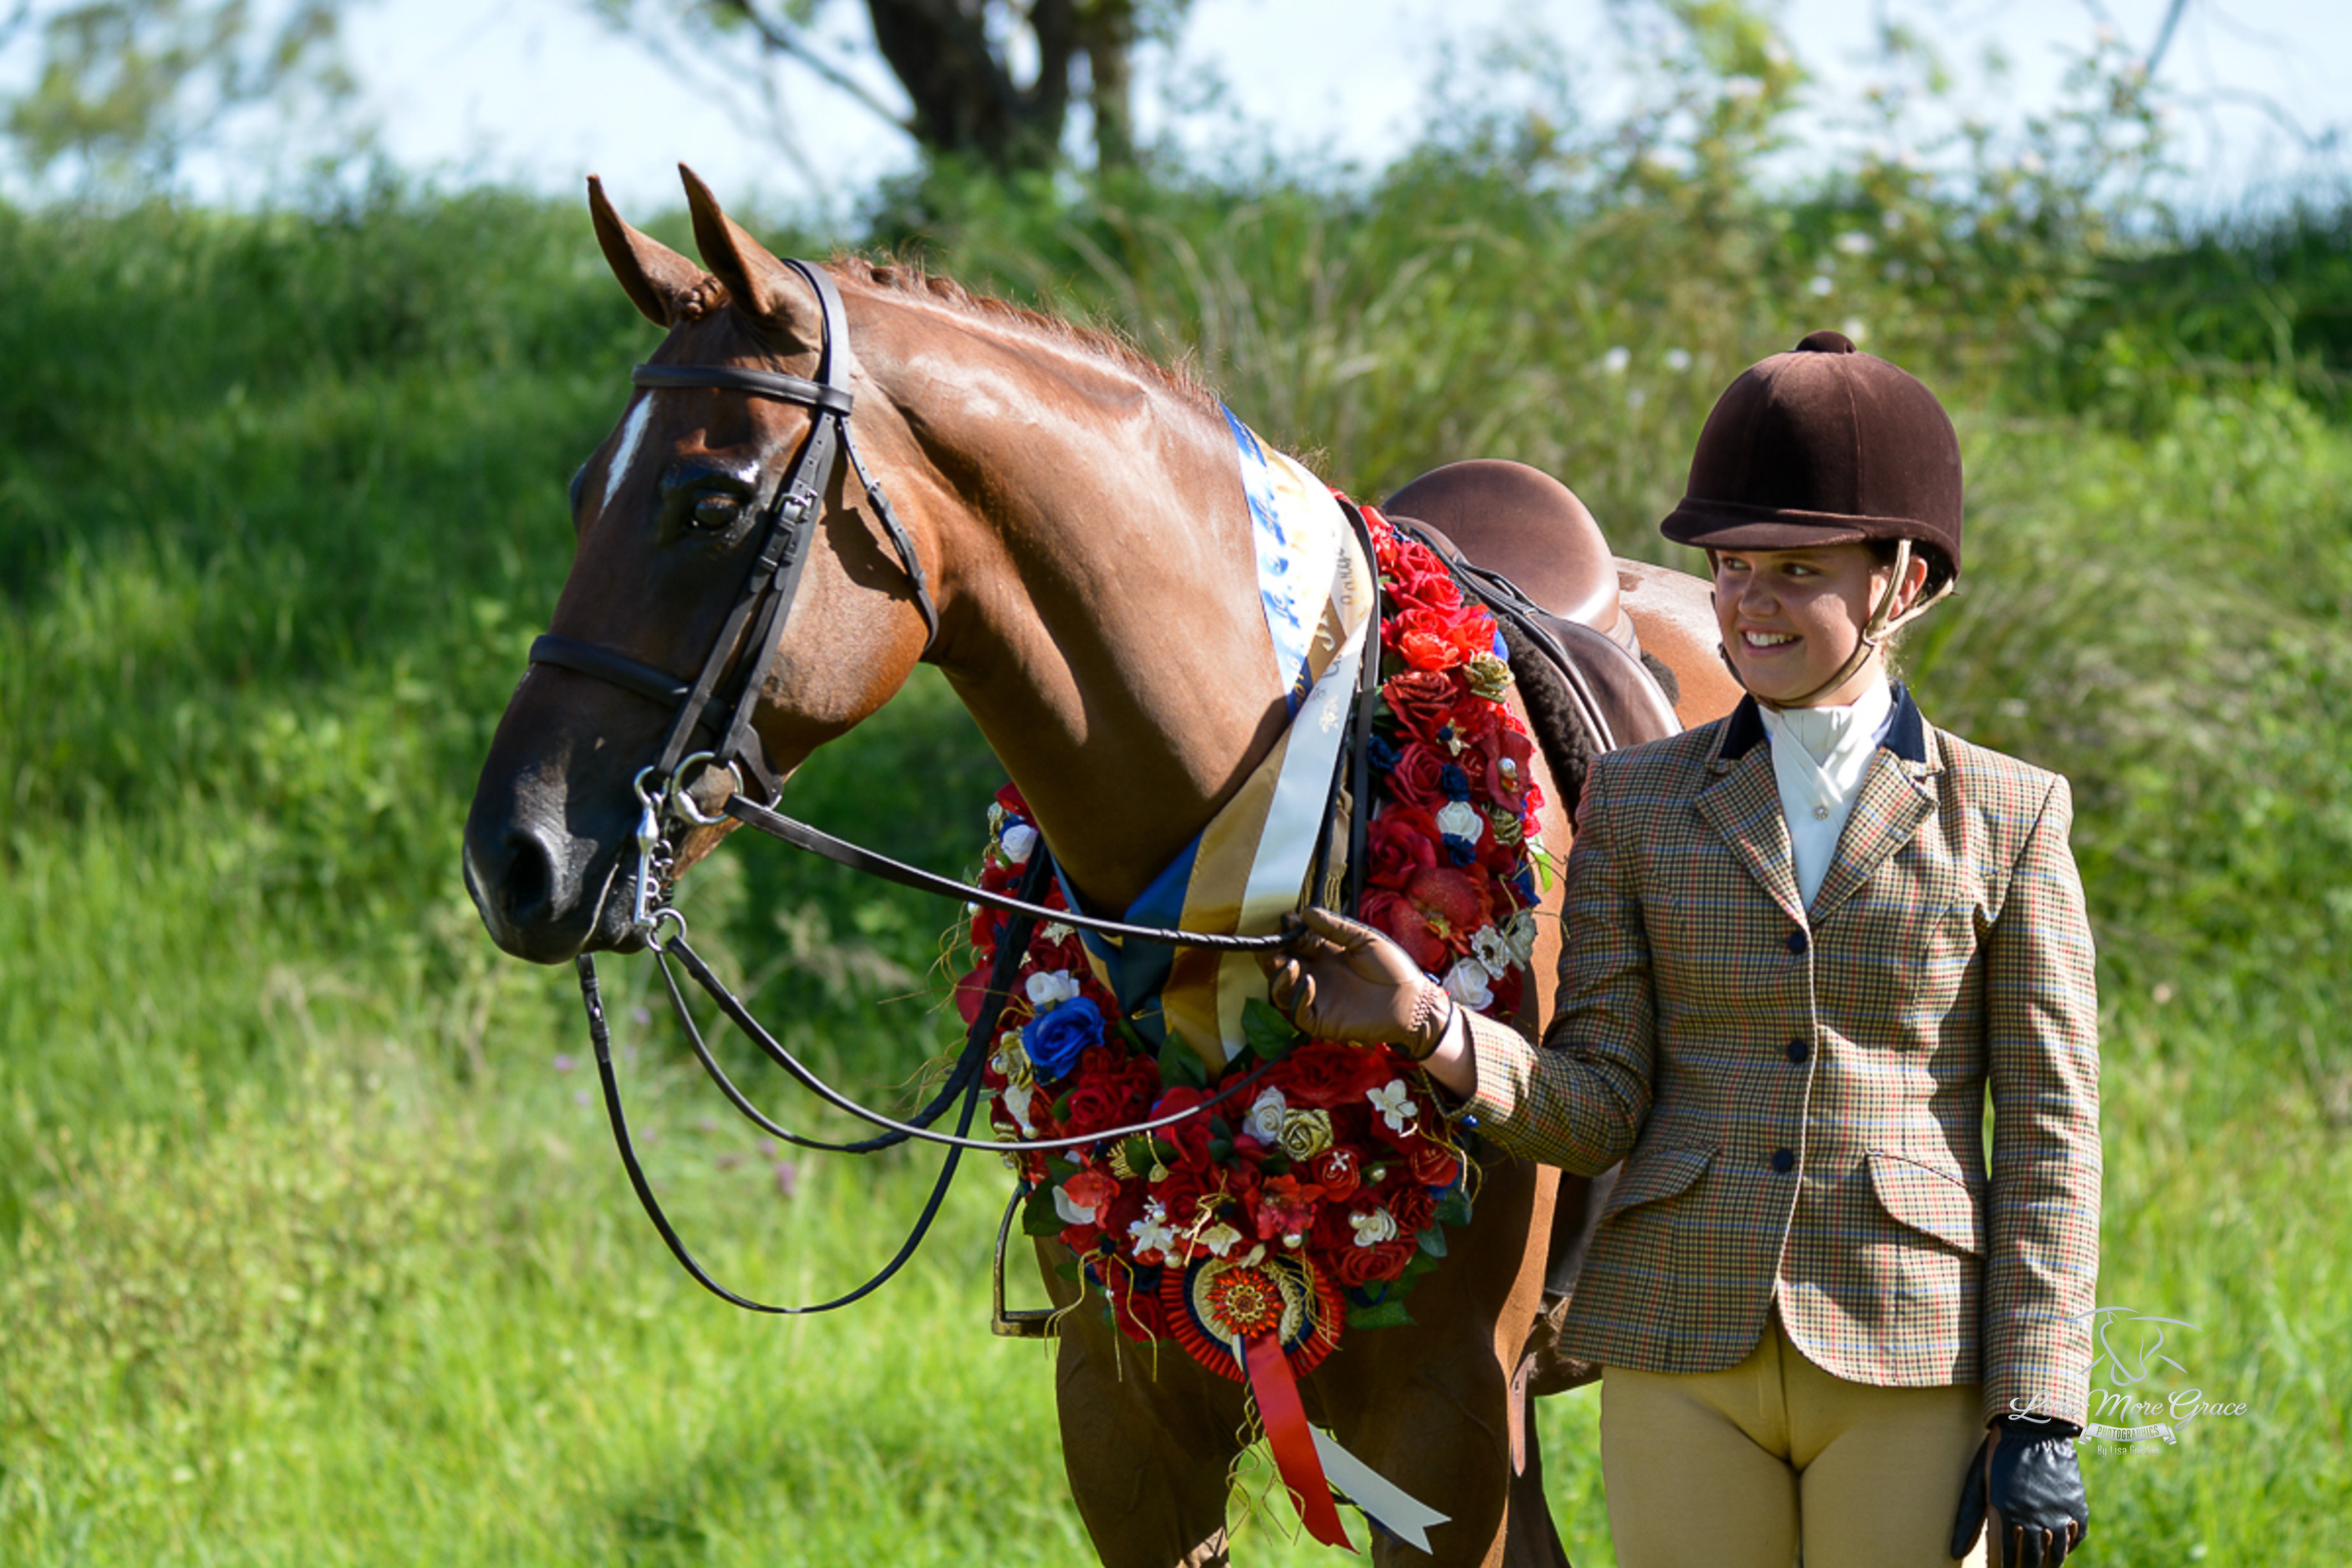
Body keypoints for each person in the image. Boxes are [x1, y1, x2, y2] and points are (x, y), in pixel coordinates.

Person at [1266, 331, 2100, 1567]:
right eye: (1729, 567)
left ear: (1905, 580)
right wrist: (1428, 1027)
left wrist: (2039, 1406)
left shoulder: (2013, 813)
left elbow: (2047, 1136)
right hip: (1677, 1350)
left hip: (1912, 1347)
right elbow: (1600, 1104)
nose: (1749, 603)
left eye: (1796, 570)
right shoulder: (1639, 802)